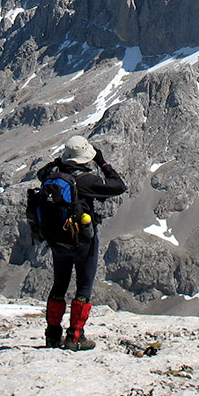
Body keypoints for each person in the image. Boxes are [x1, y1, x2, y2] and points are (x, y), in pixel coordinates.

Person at [36, 135, 126, 351]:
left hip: (57, 242)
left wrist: (59, 162)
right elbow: (118, 186)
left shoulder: (51, 175)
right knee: (83, 286)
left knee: (59, 285)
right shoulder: (86, 180)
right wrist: (103, 163)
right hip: (83, 242)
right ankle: (75, 337)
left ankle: (52, 336)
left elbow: (41, 173)